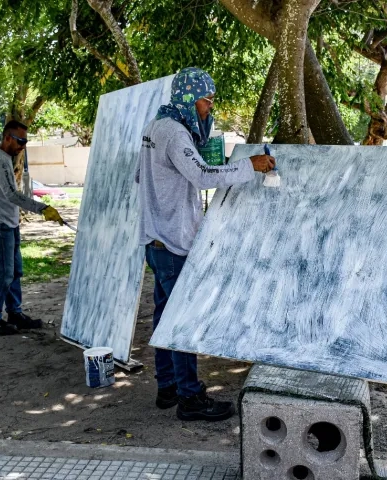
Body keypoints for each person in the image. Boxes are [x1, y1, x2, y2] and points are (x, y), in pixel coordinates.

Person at [137, 67, 275, 422]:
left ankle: (167, 387)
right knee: (182, 320)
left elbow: (145, 176)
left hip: (157, 239)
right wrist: (249, 166)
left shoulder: (155, 126)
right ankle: (190, 398)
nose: (209, 108)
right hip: (171, 241)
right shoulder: (175, 133)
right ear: (188, 97)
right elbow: (200, 177)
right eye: (206, 100)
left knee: (165, 315)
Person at [0, 120, 65, 335]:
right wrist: (42, 208)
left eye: (26, 141)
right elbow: (11, 194)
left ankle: (14, 313)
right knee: (2, 274)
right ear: (7, 137)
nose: (23, 146)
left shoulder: (5, 158)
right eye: (20, 141)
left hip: (9, 224)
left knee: (15, 271)